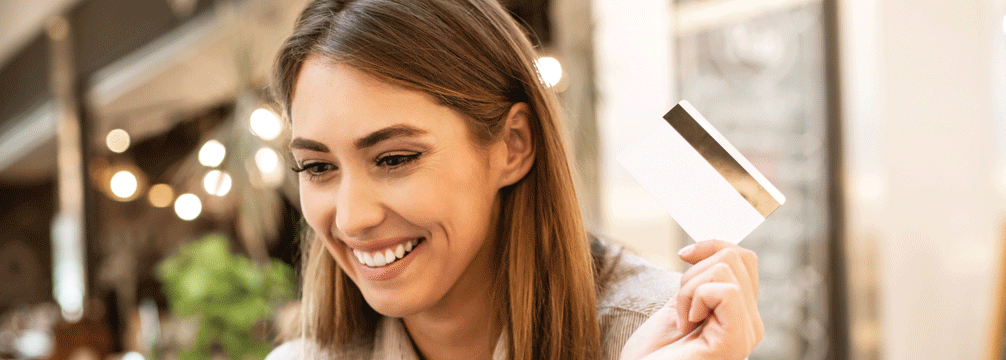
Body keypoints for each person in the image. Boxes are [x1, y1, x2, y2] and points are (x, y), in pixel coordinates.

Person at [264, 0, 765, 359]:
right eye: (318, 167)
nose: (352, 219)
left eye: (394, 159)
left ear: (513, 144)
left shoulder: (661, 335)